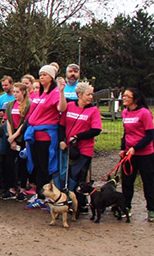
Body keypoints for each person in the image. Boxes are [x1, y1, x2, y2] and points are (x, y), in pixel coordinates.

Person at [24, 64, 63, 210]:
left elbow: (61, 108)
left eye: (44, 75)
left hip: (45, 138)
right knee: (37, 167)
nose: (41, 77)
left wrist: (62, 92)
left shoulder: (54, 93)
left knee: (46, 168)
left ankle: (48, 197)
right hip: (34, 136)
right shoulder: (39, 93)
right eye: (40, 74)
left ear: (51, 77)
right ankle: (40, 196)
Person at [58, 81, 100, 213]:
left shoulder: (93, 110)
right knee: (67, 175)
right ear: (79, 95)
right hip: (69, 148)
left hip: (84, 149)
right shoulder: (70, 106)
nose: (90, 97)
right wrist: (61, 140)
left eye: (91, 95)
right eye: (88, 94)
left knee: (79, 177)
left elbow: (96, 129)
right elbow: (61, 125)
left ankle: (81, 205)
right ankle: (69, 201)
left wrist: (78, 137)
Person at [119, 87, 154, 221]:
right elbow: (126, 133)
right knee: (127, 181)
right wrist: (124, 148)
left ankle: (151, 209)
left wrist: (136, 148)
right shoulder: (125, 113)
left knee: (148, 182)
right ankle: (126, 206)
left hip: (145, 154)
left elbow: (150, 134)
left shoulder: (144, 113)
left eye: (127, 96)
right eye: (124, 96)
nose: (124, 98)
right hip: (129, 154)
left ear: (135, 99)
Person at [2, 83, 31, 201]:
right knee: (9, 162)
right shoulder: (10, 105)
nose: (15, 94)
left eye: (17, 92)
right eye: (14, 92)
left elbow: (25, 123)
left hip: (22, 137)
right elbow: (8, 120)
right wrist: (10, 137)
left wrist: (15, 136)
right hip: (11, 137)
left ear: (23, 92)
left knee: (22, 165)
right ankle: (11, 188)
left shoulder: (29, 105)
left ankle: (23, 189)